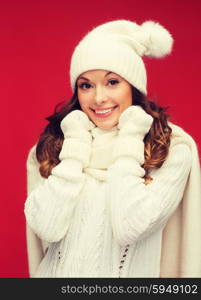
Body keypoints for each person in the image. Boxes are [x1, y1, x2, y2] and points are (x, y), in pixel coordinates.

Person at [24, 19, 201, 278]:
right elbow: (47, 228)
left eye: (112, 82)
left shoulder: (171, 148)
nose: (98, 98)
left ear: (133, 86)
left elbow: (131, 224)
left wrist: (130, 137)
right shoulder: (55, 146)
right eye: (86, 85)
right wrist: (74, 150)